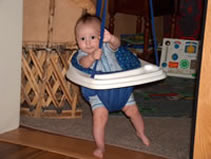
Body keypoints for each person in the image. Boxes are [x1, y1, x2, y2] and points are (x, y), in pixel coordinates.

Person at [74, 13, 150, 158]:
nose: (88, 43)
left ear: (101, 37)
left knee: (133, 111)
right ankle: (100, 146)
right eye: (82, 39)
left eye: (92, 37)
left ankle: (141, 132)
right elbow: (82, 64)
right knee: (100, 117)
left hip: (121, 89)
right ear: (77, 41)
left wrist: (112, 38)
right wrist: (90, 57)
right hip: (99, 93)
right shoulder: (81, 54)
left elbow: (117, 45)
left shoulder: (107, 46)